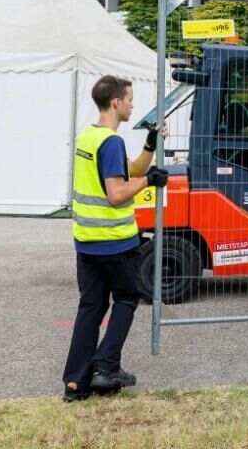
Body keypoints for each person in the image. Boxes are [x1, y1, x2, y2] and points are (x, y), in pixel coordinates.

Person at [62, 76, 169, 402]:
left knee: (91, 307)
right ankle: (106, 367)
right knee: (127, 297)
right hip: (115, 242)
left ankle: (75, 384)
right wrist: (150, 182)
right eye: (130, 99)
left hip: (87, 241)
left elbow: (131, 171)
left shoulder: (90, 138)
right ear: (115, 103)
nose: (133, 105)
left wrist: (150, 145)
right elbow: (116, 193)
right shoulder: (110, 143)